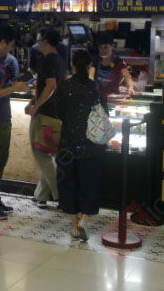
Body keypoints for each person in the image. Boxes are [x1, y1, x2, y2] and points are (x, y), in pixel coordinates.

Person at [56, 50, 105, 242]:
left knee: (68, 183)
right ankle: (84, 220)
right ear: (90, 65)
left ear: (72, 64)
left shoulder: (64, 86)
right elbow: (102, 111)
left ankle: (74, 226)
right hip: (90, 144)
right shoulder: (94, 87)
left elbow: (59, 111)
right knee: (89, 183)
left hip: (67, 142)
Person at [0, 26, 28, 218]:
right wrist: (15, 88)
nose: (10, 50)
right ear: (2, 42)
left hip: (1, 119)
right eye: (9, 45)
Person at [25, 27, 66, 208]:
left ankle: (63, 196)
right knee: (46, 154)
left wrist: (36, 106)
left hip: (45, 114)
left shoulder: (48, 60)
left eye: (40, 40)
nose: (38, 43)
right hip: (56, 114)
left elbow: (50, 86)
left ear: (45, 42)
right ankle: (41, 196)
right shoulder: (60, 60)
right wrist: (32, 101)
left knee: (40, 154)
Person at [89, 32, 136, 110]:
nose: (103, 50)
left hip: (113, 98)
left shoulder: (118, 61)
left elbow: (127, 77)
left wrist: (130, 87)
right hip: (98, 97)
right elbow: (91, 76)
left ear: (112, 46)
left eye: (106, 47)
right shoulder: (95, 60)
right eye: (101, 47)